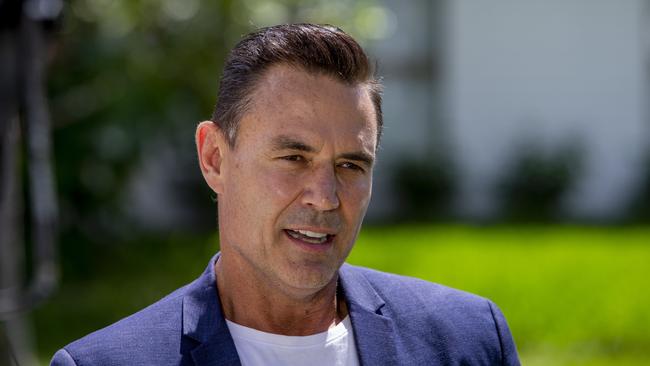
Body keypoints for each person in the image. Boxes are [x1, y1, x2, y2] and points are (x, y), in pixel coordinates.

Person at [51, 23, 520, 366]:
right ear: (214, 158)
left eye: (350, 165)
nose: (325, 197)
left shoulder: (469, 340)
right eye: (294, 158)